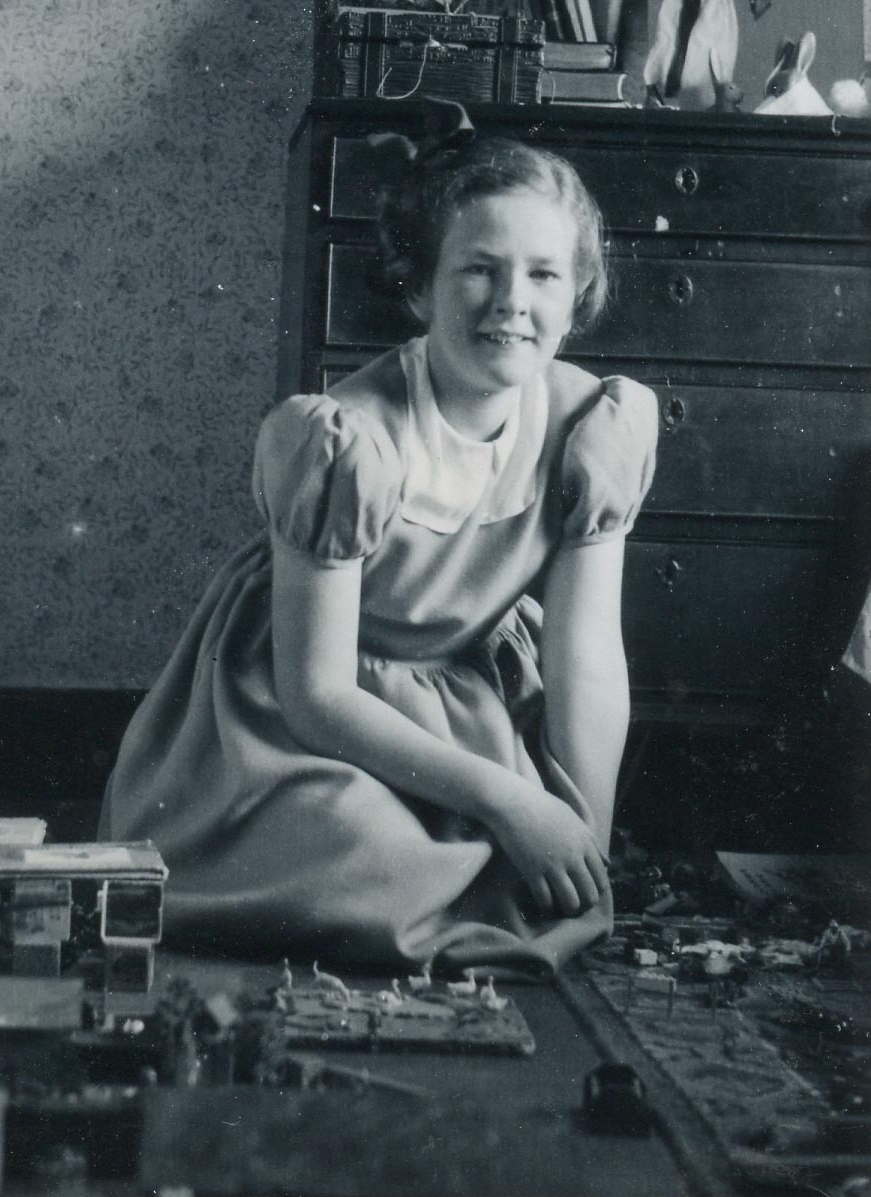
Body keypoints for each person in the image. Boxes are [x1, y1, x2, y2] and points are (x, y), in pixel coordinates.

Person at [100, 100, 658, 976]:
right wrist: (509, 800)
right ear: (419, 284)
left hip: (460, 700)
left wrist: (580, 827)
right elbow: (317, 691)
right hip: (297, 706)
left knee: (532, 875)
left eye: (544, 275)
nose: (513, 303)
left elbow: (587, 654)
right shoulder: (348, 438)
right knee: (361, 858)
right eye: (479, 270)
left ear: (577, 292)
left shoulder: (592, 426)